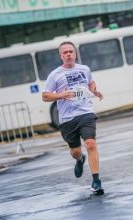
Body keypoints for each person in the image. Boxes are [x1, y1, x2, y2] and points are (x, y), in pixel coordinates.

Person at [42, 41, 104, 195]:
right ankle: (79, 159)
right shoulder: (55, 74)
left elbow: (90, 83)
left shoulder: (85, 69)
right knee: (75, 151)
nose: (68, 54)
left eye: (71, 51)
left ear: (75, 54)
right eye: (65, 52)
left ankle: (96, 181)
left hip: (85, 113)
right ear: (61, 56)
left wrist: (94, 91)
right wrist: (61, 95)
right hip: (67, 119)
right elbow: (45, 96)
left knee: (90, 144)